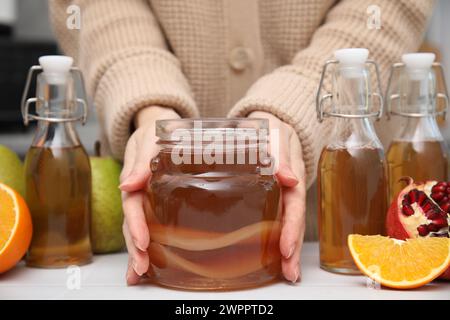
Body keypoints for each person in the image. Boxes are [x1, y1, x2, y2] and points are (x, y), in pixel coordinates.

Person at [49, 0, 434, 285]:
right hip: (150, 186)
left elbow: (385, 9)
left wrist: (293, 107)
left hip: (338, 260)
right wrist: (149, 108)